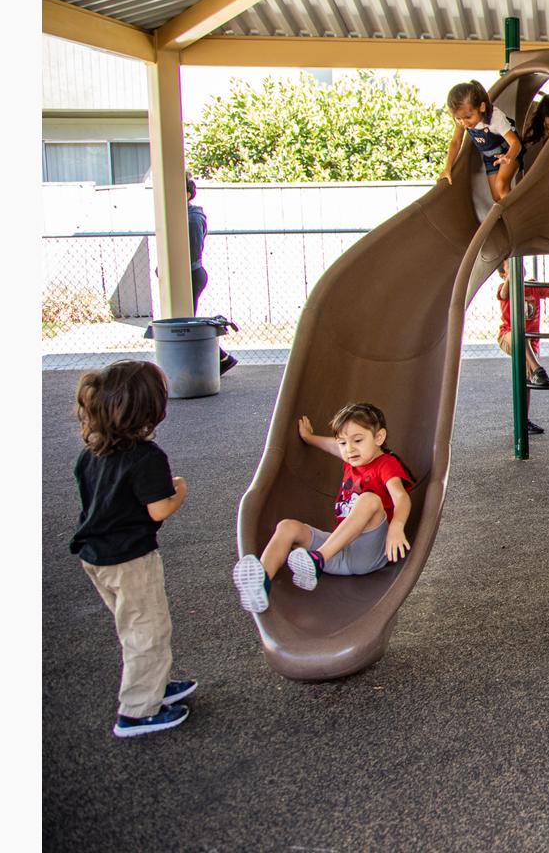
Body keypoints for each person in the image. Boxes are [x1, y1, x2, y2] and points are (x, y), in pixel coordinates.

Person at [70, 360, 197, 737]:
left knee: (134, 628)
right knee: (148, 631)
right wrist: (179, 491)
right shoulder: (147, 458)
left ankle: (152, 687)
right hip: (130, 560)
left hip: (95, 557)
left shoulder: (92, 452)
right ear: (151, 411)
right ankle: (138, 711)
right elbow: (158, 508)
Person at [232, 403, 414, 613]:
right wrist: (308, 437)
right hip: (340, 550)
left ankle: (317, 561)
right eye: (343, 443)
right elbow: (330, 445)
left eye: (358, 440)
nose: (349, 449)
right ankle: (262, 581)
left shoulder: (385, 464)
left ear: (379, 437)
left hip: (370, 553)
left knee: (370, 500)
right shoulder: (351, 458)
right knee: (288, 526)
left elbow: (401, 497)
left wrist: (396, 527)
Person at [497, 262, 549, 434]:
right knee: (520, 334)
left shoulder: (533, 287)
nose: (516, 265)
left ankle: (524, 420)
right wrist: (511, 277)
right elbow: (504, 293)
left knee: (526, 380)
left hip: (530, 345)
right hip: (508, 337)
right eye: (509, 266)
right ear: (504, 275)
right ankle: (538, 370)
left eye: (517, 262)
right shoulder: (504, 288)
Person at [185, 177, 238, 375]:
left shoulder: (192, 219)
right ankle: (220, 359)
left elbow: (191, 251)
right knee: (187, 323)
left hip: (192, 273)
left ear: (188, 194)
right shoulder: (188, 216)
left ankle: (221, 359)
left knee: (187, 325)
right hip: (191, 273)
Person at [440, 80, 521, 203]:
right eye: (458, 118)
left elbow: (516, 144)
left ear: (481, 107)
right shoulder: (462, 121)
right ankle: (505, 217)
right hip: (490, 157)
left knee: (501, 186)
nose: (464, 123)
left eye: (468, 117)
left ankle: (515, 217)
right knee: (496, 197)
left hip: (509, 151)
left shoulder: (495, 118)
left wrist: (508, 157)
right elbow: (456, 142)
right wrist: (447, 168)